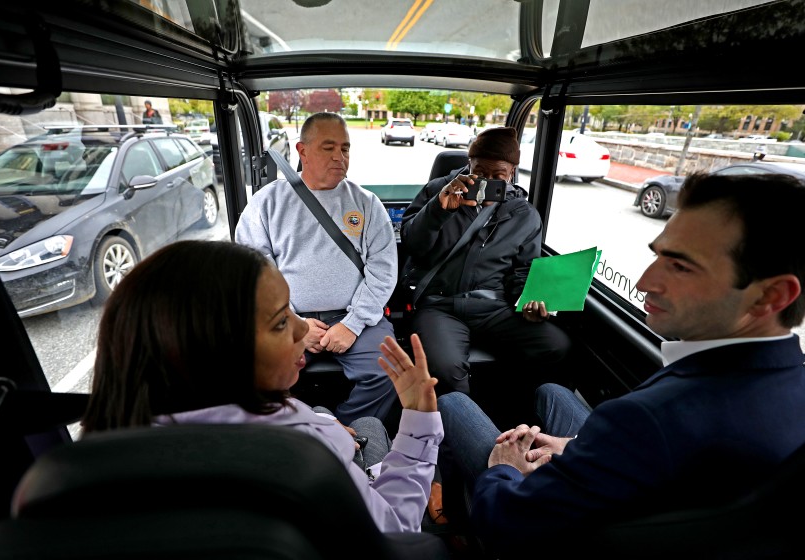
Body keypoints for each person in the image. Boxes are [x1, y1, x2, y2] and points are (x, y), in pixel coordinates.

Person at [436, 172, 805, 558]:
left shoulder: (648, 420)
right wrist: (579, 447)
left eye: (681, 266)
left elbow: (506, 523)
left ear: (771, 296)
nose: (645, 282)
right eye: (657, 255)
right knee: (553, 392)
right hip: (650, 500)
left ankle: (457, 526)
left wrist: (505, 468)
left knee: (453, 403)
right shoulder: (789, 380)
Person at [81, 240, 443, 533]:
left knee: (323, 413)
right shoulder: (307, 455)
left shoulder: (93, 466)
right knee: (371, 425)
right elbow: (395, 530)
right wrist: (417, 421)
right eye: (280, 322)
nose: (303, 330)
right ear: (220, 351)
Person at [235, 112, 399, 427]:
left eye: (345, 148)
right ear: (302, 151)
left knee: (390, 370)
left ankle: (348, 433)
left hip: (354, 317)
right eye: (328, 147)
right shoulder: (267, 202)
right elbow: (253, 267)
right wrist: (291, 321)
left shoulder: (366, 203)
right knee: (253, 372)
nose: (340, 156)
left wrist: (352, 324)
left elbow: (383, 270)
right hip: (286, 317)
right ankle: (301, 430)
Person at [399, 126, 572, 397]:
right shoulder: (438, 191)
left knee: (554, 345)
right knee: (445, 368)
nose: (488, 181)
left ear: (512, 172)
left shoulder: (524, 215)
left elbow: (523, 270)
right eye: (480, 173)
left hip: (495, 307)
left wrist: (528, 299)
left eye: (498, 176)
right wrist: (438, 210)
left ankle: (511, 409)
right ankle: (461, 424)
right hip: (441, 305)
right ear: (469, 164)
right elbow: (411, 244)